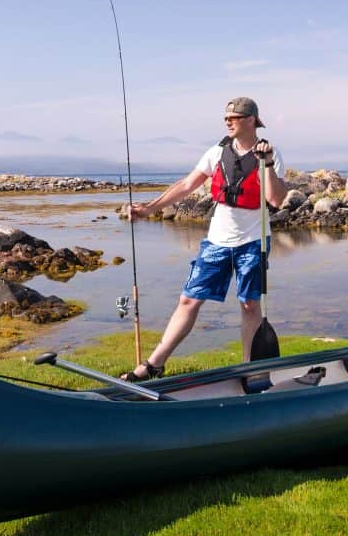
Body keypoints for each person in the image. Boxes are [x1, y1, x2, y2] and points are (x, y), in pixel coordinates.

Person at [121, 97, 288, 381]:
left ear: (251, 121)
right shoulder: (216, 152)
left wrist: (268, 164)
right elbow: (186, 185)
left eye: (233, 117)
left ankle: (249, 370)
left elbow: (276, 199)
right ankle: (153, 365)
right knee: (189, 300)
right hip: (217, 242)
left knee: (250, 306)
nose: (227, 121)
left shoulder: (270, 154)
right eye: (226, 117)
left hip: (253, 242)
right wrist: (149, 209)